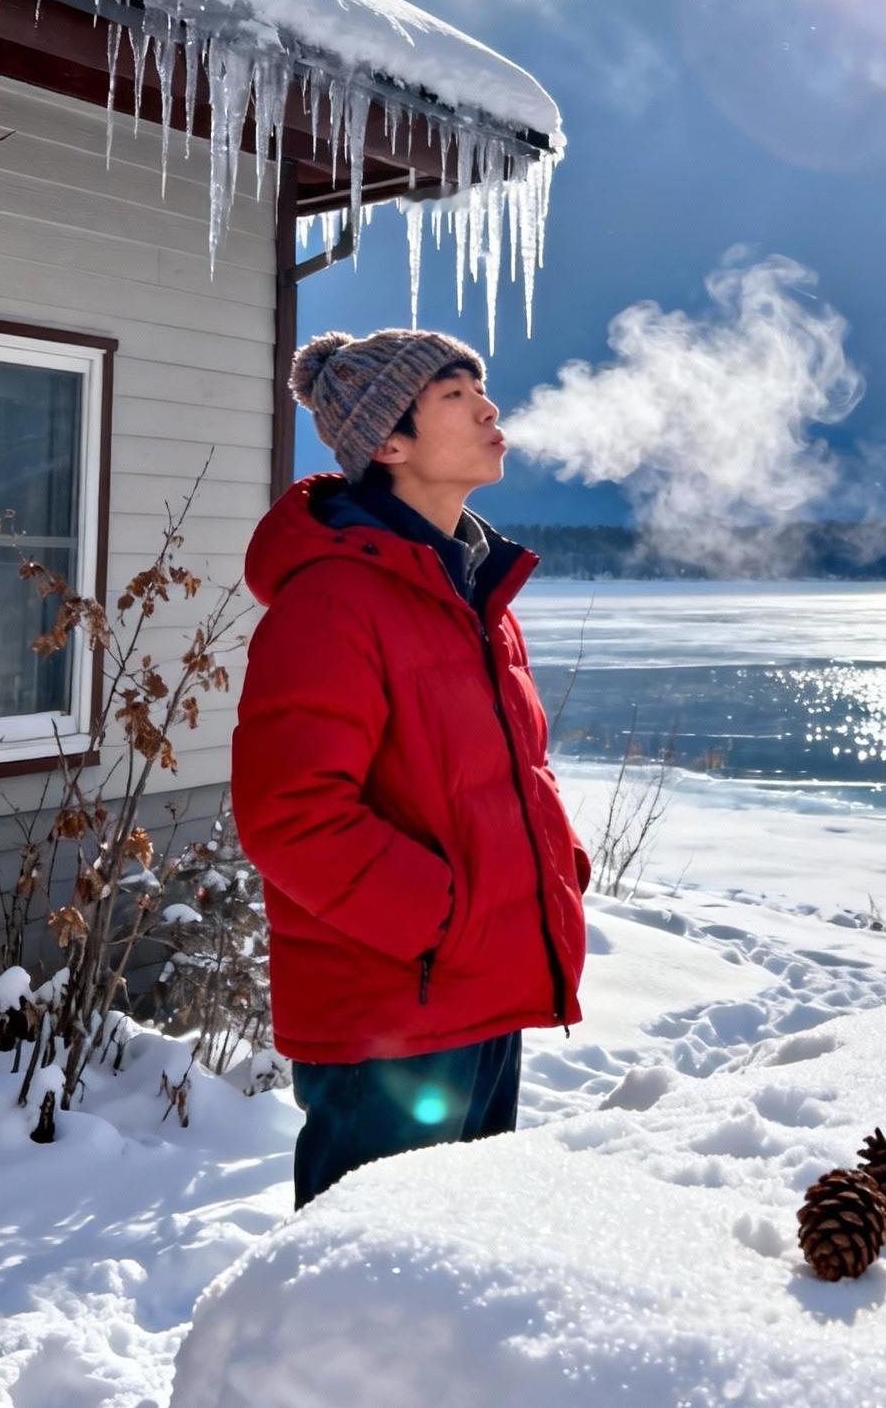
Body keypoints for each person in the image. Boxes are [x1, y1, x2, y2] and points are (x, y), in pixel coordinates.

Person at [232, 327, 589, 1209]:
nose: (488, 408)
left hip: (482, 988)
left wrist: (554, 870)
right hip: (393, 1013)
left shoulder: (474, 592)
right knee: (358, 1306)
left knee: (453, 1278)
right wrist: (447, 916)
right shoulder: (334, 599)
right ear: (388, 443)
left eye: (482, 388)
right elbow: (291, 814)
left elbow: (506, 772)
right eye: (455, 395)